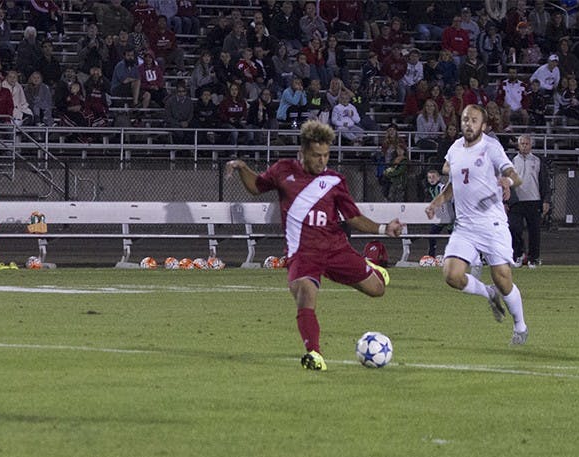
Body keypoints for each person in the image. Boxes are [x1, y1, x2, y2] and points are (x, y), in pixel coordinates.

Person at [225, 120, 402, 371]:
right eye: (316, 155)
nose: (322, 161)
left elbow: (353, 217)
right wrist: (242, 166)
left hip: (335, 249)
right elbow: (256, 187)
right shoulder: (283, 170)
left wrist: (384, 229)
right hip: (302, 254)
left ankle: (370, 267)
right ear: (302, 153)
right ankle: (314, 354)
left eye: (326, 155)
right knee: (306, 296)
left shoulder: (335, 181)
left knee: (377, 289)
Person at [425, 104, 528, 345]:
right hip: (465, 227)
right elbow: (453, 185)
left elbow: (516, 176)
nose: (468, 124)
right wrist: (436, 202)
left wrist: (506, 181)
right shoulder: (455, 149)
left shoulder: (491, 147)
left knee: (503, 278)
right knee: (452, 275)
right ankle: (487, 292)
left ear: (483, 125)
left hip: (491, 223)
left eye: (473, 120)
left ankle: (520, 326)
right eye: (465, 119)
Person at [508, 134, 550, 267]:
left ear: (531, 145)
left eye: (526, 144)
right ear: (518, 145)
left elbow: (544, 182)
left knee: (534, 231)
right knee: (514, 228)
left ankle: (534, 258)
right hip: (516, 201)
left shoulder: (538, 161)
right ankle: (518, 254)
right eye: (522, 144)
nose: (524, 146)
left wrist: (546, 200)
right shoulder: (512, 161)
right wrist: (506, 201)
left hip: (534, 200)